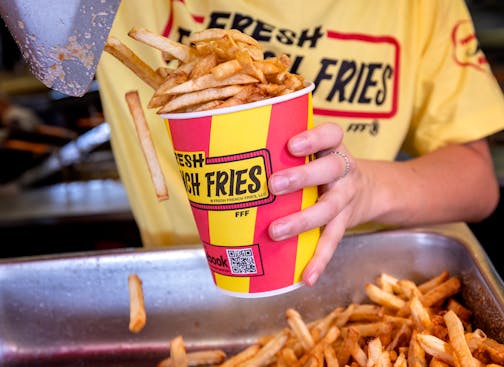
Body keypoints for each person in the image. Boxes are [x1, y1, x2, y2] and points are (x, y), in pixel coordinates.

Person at [96, 0, 504, 286]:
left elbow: (477, 180)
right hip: (185, 292)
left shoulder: (418, 7)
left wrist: (368, 188)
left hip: (352, 291)